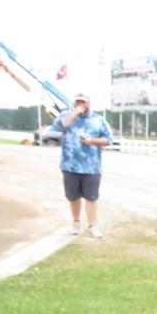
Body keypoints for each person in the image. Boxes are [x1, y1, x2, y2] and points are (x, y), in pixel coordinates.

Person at [50, 92, 113, 238]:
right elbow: (59, 125)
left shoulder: (98, 119)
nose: (81, 104)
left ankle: (93, 226)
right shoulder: (67, 116)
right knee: (73, 196)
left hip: (91, 167)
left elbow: (108, 139)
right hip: (70, 165)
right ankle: (76, 223)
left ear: (89, 103)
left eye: (83, 102)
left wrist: (92, 141)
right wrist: (75, 113)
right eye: (78, 102)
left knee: (91, 197)